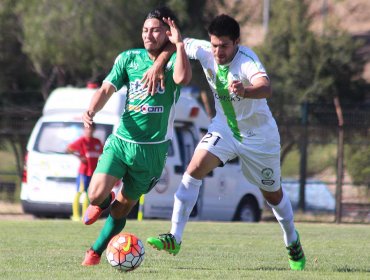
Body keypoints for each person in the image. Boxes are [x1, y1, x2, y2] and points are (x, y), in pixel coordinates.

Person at [146, 14, 306, 271]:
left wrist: (245, 91)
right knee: (193, 169)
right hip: (224, 129)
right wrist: (160, 62)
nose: (218, 52)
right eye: (214, 45)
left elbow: (265, 87)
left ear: (237, 43)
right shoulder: (204, 49)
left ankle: (292, 240)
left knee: (273, 195)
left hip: (259, 137)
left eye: (224, 46)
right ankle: (174, 237)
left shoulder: (247, 60)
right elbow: (175, 43)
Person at [80, 6, 192, 266]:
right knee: (95, 195)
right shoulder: (128, 59)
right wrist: (91, 109)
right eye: (144, 30)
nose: (148, 35)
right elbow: (107, 88)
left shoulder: (176, 59)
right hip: (122, 141)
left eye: (154, 30)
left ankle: (95, 252)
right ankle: (100, 201)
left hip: (151, 153)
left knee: (121, 209)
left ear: (167, 32)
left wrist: (179, 45)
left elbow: (184, 79)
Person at [66, 124, 103, 222]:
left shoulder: (97, 142)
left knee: (89, 193)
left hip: (93, 172)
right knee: (79, 192)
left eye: (91, 129)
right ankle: (75, 215)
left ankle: (85, 215)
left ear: (94, 130)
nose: (89, 131)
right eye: (87, 129)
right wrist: (79, 156)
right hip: (84, 172)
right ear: (84, 130)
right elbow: (69, 148)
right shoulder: (81, 141)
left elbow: (102, 152)